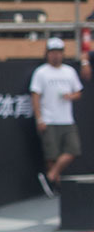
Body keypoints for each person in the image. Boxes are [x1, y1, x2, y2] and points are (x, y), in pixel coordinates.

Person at [31, 37, 83, 197]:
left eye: (58, 52)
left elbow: (78, 92)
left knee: (73, 149)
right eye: (52, 52)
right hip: (49, 119)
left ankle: (51, 175)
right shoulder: (41, 72)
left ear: (62, 54)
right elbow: (35, 96)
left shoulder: (69, 71)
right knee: (51, 155)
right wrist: (39, 118)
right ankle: (56, 186)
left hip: (66, 119)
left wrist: (70, 96)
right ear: (47, 53)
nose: (56, 56)